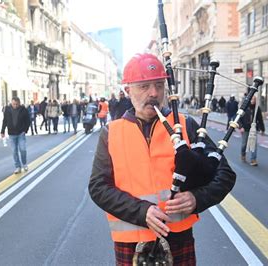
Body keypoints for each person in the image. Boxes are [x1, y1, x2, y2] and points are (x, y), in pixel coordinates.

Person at [89, 53, 236, 265]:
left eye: (159, 85)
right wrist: (142, 211)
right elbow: (98, 187)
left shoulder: (186, 125)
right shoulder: (111, 132)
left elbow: (224, 174)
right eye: (144, 86)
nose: (154, 93)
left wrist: (198, 198)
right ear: (128, 90)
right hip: (131, 244)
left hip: (177, 238)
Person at [1, 97, 31, 174]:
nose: (15, 105)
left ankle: (24, 164)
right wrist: (2, 131)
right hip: (11, 134)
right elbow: (5, 120)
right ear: (11, 103)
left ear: (19, 103)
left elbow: (28, 120)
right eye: (13, 104)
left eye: (16, 104)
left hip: (21, 133)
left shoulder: (23, 110)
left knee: (23, 149)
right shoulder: (7, 110)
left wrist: (25, 130)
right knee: (14, 151)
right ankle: (18, 166)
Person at [240, 96, 265, 166]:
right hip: (245, 128)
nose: (253, 100)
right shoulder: (244, 107)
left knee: (254, 144)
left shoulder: (257, 108)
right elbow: (239, 118)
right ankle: (243, 154)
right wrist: (241, 127)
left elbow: (260, 119)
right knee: (244, 144)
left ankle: (253, 159)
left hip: (253, 129)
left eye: (254, 99)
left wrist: (262, 129)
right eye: (252, 99)